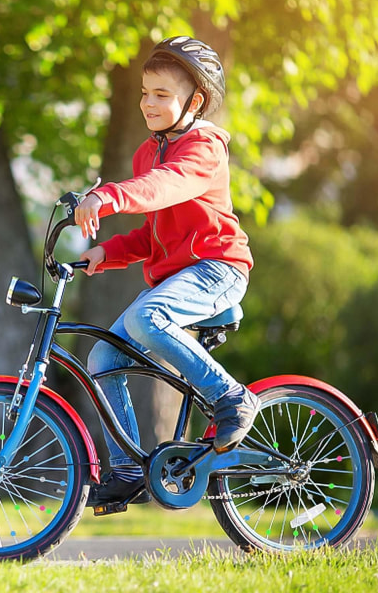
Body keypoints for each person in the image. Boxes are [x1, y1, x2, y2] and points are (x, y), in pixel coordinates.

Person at [74, 36, 260, 507]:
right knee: (101, 360)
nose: (148, 103)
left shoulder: (205, 147)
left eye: (162, 94)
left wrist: (108, 196)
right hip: (181, 279)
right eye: (143, 92)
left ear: (194, 101)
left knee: (144, 318)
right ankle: (125, 470)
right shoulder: (146, 153)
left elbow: (165, 187)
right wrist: (107, 253)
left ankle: (232, 397)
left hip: (218, 269)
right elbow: (152, 234)